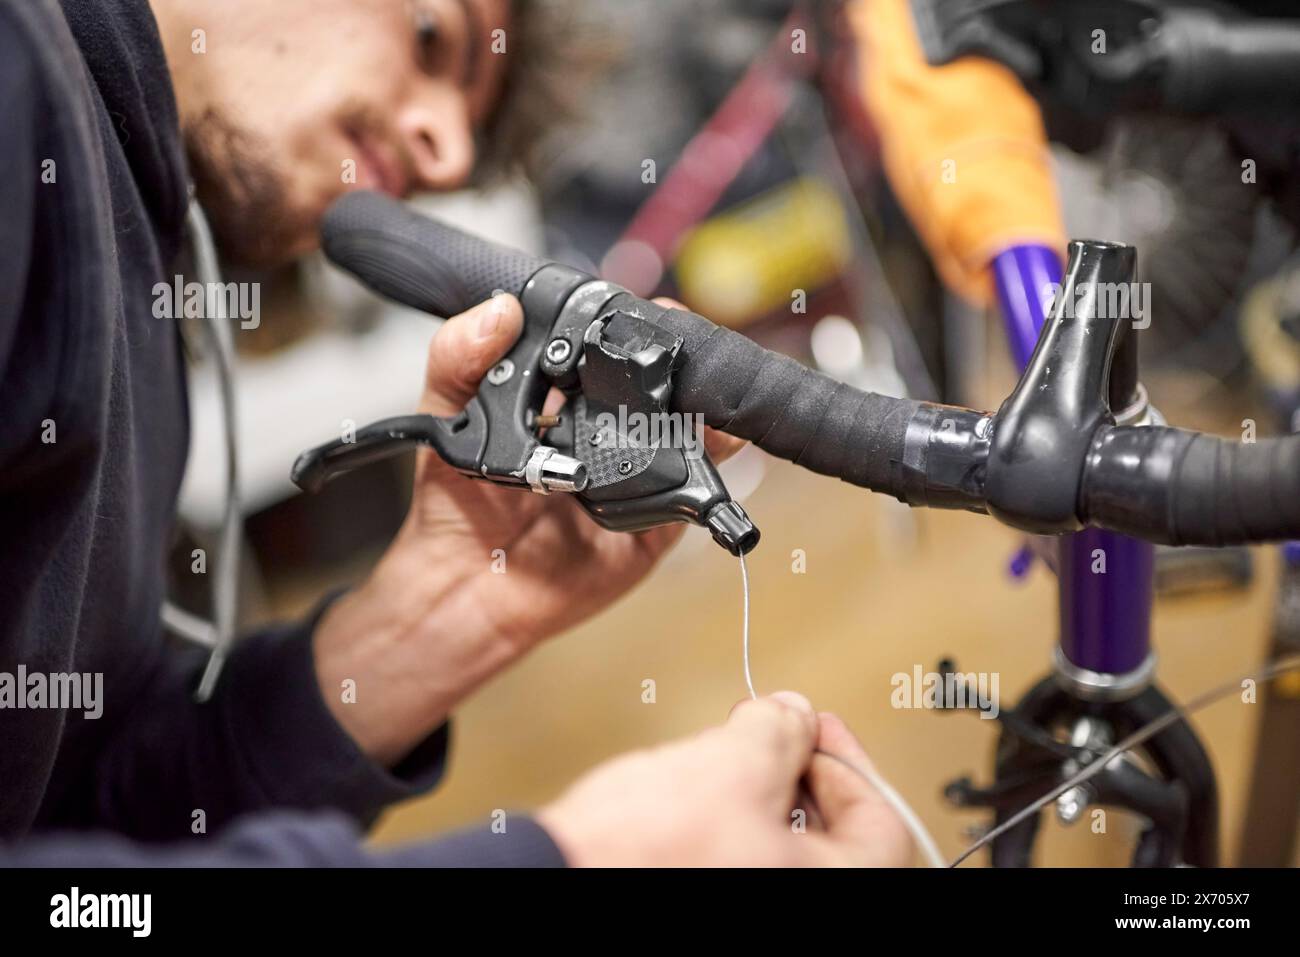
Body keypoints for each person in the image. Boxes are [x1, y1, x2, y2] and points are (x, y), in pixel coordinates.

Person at [0, 0, 910, 866]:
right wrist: (574, 858)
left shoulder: (126, 242)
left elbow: (81, 821)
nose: (446, 151)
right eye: (432, 33)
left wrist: (426, 623)